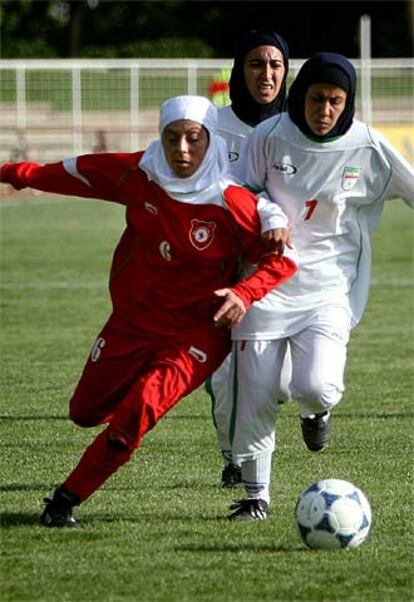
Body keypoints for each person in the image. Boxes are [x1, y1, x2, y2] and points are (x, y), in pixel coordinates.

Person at [0, 95, 298, 527]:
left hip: (196, 335)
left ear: (210, 140)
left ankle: (64, 500)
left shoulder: (230, 199)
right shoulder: (140, 173)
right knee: (83, 412)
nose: (182, 150)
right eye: (172, 137)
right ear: (160, 137)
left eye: (193, 139)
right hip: (133, 324)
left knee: (136, 414)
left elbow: (284, 259)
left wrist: (244, 293)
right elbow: (73, 172)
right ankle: (131, 396)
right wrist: (10, 173)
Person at [222, 52, 414, 520]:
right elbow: (235, 187)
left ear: (347, 103)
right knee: (258, 393)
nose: (324, 110)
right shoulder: (269, 136)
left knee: (316, 385)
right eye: (315, 98)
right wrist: (265, 212)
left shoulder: (368, 146)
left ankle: (317, 413)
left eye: (334, 101)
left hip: (330, 290)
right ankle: (255, 496)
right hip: (264, 284)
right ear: (300, 96)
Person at [207, 28, 292, 490]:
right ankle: (233, 459)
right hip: (221, 268)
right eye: (257, 64)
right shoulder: (214, 125)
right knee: (226, 380)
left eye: (276, 64)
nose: (267, 74)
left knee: (280, 383)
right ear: (240, 69)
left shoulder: (294, 127)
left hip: (281, 272)